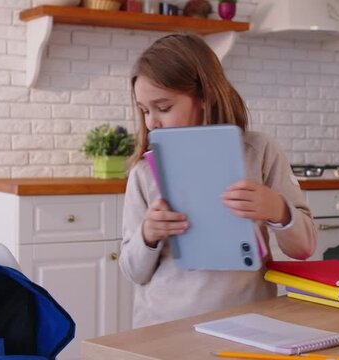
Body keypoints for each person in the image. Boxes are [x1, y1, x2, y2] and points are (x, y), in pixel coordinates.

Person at [120, 33, 317, 328]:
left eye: (163, 108)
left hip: (250, 320)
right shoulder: (144, 173)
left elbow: (303, 248)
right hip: (164, 326)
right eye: (145, 110)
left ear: (205, 98)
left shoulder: (259, 152)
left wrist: (278, 209)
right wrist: (148, 234)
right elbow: (133, 272)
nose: (151, 122)